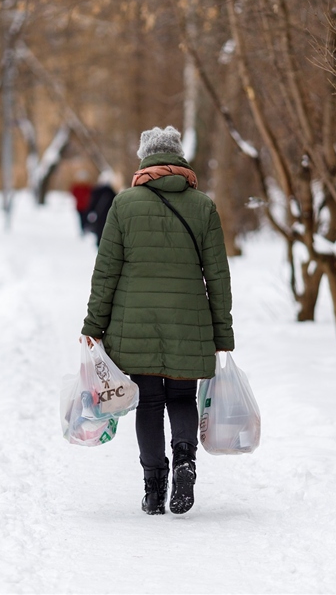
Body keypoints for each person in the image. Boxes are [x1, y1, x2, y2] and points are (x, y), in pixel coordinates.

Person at [80, 126, 234, 515]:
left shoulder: (124, 204)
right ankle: (184, 461)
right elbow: (217, 274)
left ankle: (154, 487)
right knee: (181, 397)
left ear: (144, 158)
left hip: (136, 323)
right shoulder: (203, 206)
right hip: (189, 321)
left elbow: (107, 271)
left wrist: (93, 325)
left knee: (149, 403)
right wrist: (222, 331)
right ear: (179, 159)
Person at [85, 181, 117, 247]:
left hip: (99, 215)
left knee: (99, 230)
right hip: (108, 215)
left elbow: (92, 203)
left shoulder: (96, 191)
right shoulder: (112, 192)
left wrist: (90, 211)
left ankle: (99, 244)